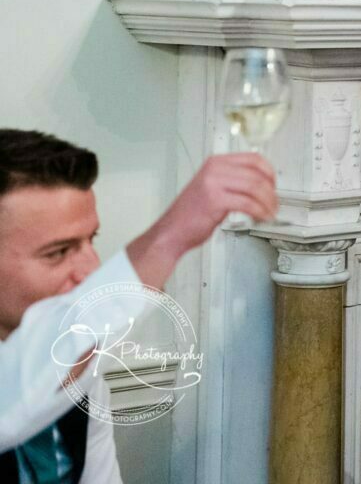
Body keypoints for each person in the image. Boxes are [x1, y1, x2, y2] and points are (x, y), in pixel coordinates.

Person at [0, 129, 277, 477]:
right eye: (58, 252)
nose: (90, 270)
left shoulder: (83, 364)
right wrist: (168, 238)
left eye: (90, 241)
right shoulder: (63, 354)